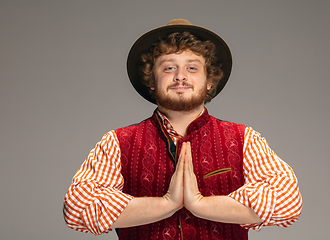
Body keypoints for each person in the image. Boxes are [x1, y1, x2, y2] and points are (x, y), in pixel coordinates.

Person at [63, 19, 302, 240]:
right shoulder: (117, 142)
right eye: (168, 68)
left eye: (192, 68)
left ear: (209, 81)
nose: (180, 77)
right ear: (151, 82)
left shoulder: (244, 139)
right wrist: (167, 203)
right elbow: (77, 207)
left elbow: (288, 201)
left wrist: (200, 205)